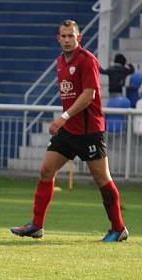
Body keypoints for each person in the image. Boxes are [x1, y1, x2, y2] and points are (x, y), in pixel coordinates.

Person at [10, 20, 128, 242]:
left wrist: (63, 117)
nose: (66, 40)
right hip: (69, 131)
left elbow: (88, 95)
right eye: (63, 36)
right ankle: (36, 225)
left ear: (79, 38)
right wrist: (65, 121)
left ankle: (119, 228)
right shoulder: (60, 62)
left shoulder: (87, 60)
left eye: (71, 36)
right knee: (46, 170)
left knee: (102, 178)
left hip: (89, 131)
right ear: (58, 38)